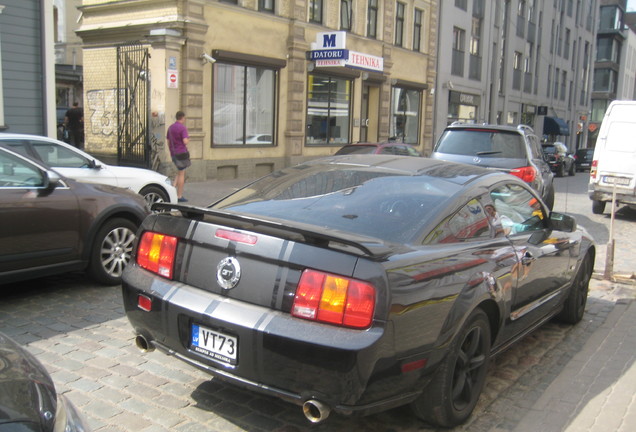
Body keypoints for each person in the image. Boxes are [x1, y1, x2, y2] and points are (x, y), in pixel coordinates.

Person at [167, 111, 191, 202]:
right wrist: (188, 139)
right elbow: (185, 141)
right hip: (181, 153)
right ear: (182, 118)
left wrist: (171, 151)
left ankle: (171, 190)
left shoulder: (170, 128)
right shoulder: (183, 128)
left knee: (179, 171)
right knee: (181, 174)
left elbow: (168, 142)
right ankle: (179, 196)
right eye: (184, 118)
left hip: (173, 153)